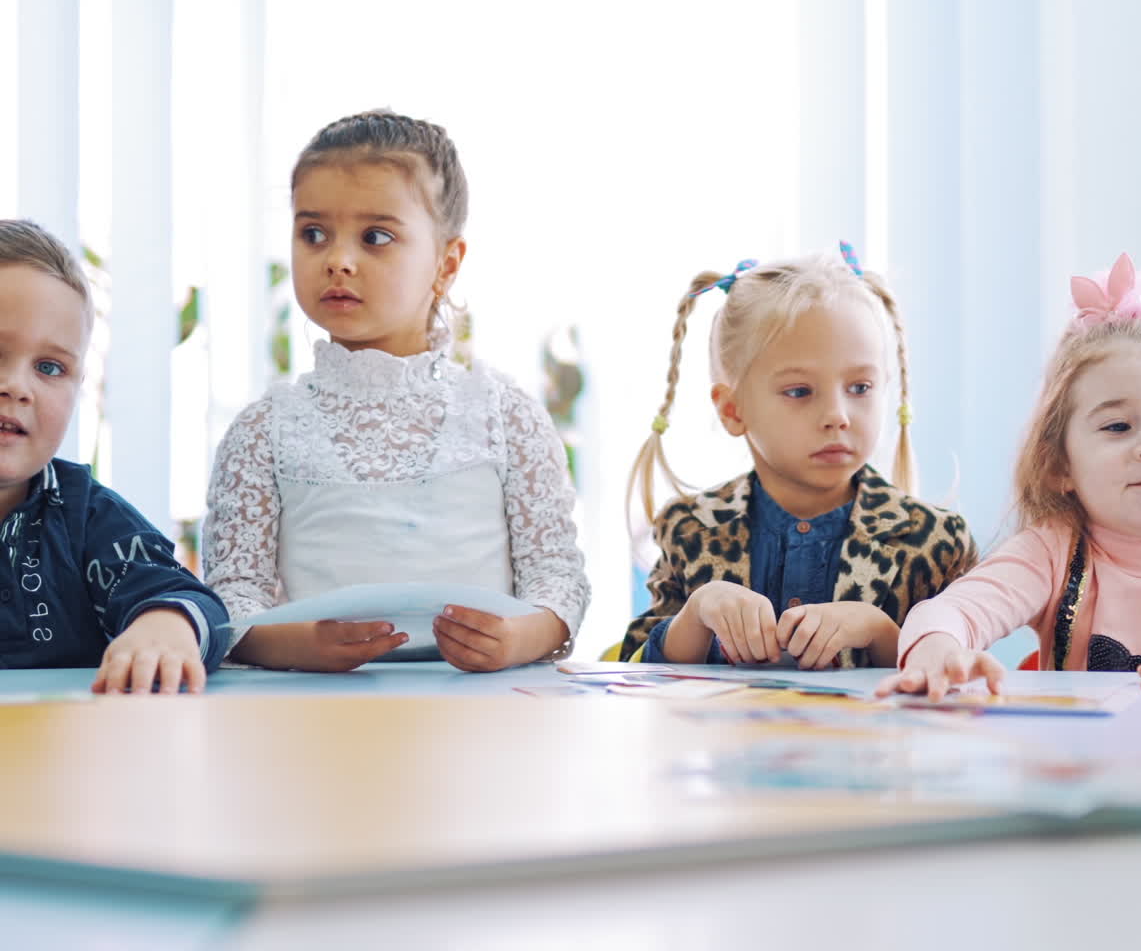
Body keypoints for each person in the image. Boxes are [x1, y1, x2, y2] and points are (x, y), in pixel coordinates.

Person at [202, 110, 589, 671]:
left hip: (485, 721)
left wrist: (519, 638)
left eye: (376, 237)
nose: (337, 259)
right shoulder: (264, 429)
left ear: (446, 263)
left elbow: (558, 578)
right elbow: (233, 597)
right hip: (315, 716)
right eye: (313, 234)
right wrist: (294, 644)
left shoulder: (504, 414)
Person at [879, 253, 1141, 699]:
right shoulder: (1051, 551)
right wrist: (938, 650)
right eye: (1118, 427)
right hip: (1081, 763)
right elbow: (952, 611)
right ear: (1059, 466)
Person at [621, 245, 977, 668]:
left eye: (860, 388)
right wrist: (697, 613)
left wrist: (880, 631)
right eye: (800, 392)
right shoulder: (689, 530)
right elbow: (635, 674)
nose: (837, 416)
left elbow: (964, 683)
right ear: (733, 410)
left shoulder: (935, 541)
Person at [0, 219, 230, 691]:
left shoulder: (84, 513)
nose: (17, 387)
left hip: (63, 752)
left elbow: (185, 598)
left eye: (49, 367)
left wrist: (165, 624)